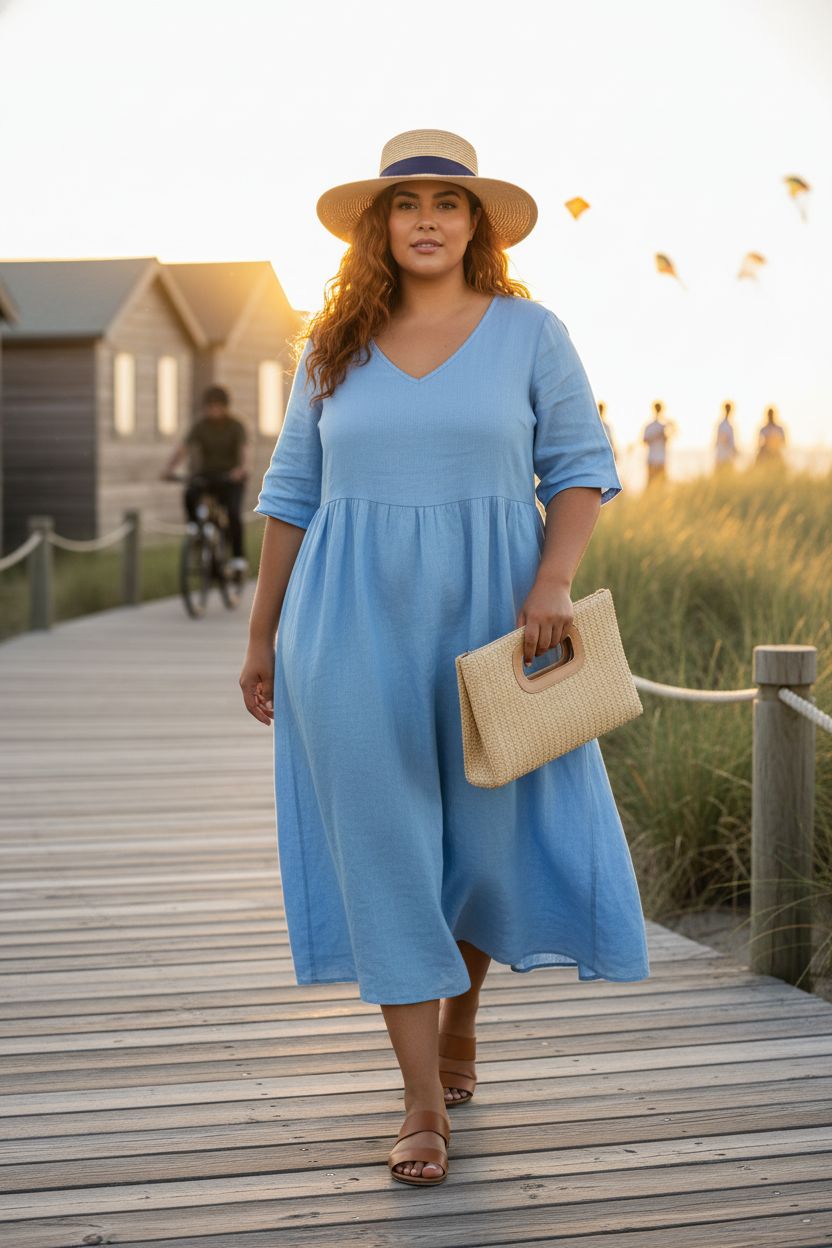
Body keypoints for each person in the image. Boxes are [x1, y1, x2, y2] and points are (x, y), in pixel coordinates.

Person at [239, 129, 650, 1187]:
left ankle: (461, 1031)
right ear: (378, 225)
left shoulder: (529, 333)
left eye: (447, 202)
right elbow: (291, 495)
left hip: (492, 619)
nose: (426, 217)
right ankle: (423, 1103)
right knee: (385, 853)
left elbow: (579, 467)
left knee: (477, 851)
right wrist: (259, 634)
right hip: (346, 623)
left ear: (476, 224)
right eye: (405, 201)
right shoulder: (331, 347)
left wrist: (551, 584)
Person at [160, 385, 250, 572]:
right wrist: (169, 469)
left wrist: (240, 470)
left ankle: (238, 557)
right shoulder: (200, 426)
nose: (214, 410)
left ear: (225, 407)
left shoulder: (235, 426)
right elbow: (183, 448)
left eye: (218, 406)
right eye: (210, 406)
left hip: (230, 478)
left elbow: (244, 451)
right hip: (208, 474)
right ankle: (195, 529)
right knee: (190, 492)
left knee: (233, 513)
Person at [642, 402, 669, 483]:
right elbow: (644, 441)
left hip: (661, 459)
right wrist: (657, 434)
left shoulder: (664, 426)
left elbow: (667, 440)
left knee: (661, 484)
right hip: (653, 459)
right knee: (651, 483)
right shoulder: (650, 426)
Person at [715, 401, 739, 473]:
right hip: (723, 456)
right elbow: (722, 440)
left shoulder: (729, 425)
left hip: (727, 456)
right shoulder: (723, 425)